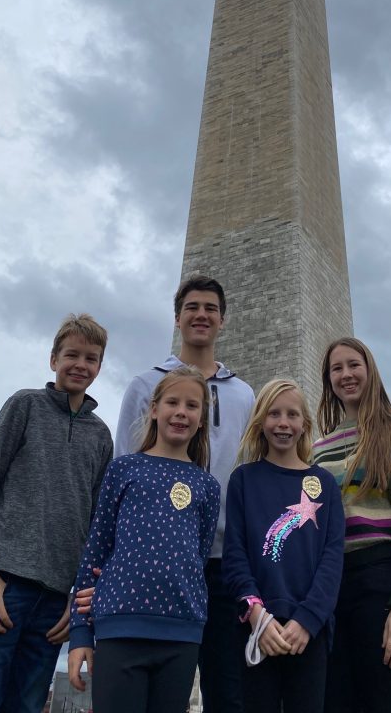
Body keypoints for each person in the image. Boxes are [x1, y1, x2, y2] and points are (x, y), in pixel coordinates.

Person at [78, 274, 254, 712]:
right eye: (192, 307)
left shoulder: (245, 394)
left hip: (225, 562)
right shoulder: (143, 385)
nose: (201, 315)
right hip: (150, 571)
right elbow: (121, 480)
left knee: (228, 690)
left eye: (211, 308)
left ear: (223, 321)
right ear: (178, 318)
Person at [0, 313, 113, 713]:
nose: (80, 365)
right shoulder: (24, 405)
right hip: (3, 588)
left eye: (91, 358)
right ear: (53, 359)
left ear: (99, 367)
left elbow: (97, 527)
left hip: (57, 603)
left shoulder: (101, 435)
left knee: (26, 705)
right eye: (72, 355)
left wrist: (76, 603)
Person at [68, 365, 221, 713]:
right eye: (172, 402)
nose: (181, 412)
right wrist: (80, 632)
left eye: (192, 406)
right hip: (119, 627)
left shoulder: (208, 487)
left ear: (201, 419)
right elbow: (95, 550)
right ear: (154, 409)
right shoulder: (123, 469)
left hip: (182, 634)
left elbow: (196, 557)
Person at [312, 337, 391, 713]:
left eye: (353, 365)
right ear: (328, 379)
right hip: (331, 590)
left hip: (382, 583)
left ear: (370, 371)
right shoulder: (318, 449)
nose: (346, 375)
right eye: (336, 368)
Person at [223, 379, 344, 713]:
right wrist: (258, 617)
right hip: (256, 628)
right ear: (261, 422)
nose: (283, 423)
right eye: (274, 414)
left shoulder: (325, 485)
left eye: (292, 414)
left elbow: (332, 560)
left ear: (304, 423)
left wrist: (307, 620)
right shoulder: (243, 480)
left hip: (310, 632)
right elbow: (235, 555)